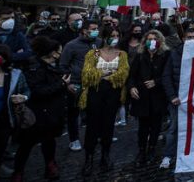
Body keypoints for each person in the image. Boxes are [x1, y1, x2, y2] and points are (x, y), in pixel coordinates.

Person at [12, 36, 69, 181]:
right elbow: (37, 91)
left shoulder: (54, 65)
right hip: (36, 113)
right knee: (26, 144)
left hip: (53, 112)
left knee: (49, 141)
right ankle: (18, 172)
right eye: (58, 51)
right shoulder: (34, 67)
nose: (59, 54)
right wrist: (62, 84)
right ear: (50, 52)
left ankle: (50, 166)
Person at [79, 27, 129, 175]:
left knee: (108, 125)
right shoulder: (93, 53)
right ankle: (89, 157)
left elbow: (123, 73)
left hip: (113, 94)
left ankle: (105, 156)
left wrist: (106, 76)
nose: (114, 38)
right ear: (105, 37)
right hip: (95, 93)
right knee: (92, 126)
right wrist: (106, 73)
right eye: (112, 35)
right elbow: (87, 73)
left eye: (117, 35)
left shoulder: (122, 54)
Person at [128, 29, 169, 164]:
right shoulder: (140, 56)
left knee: (156, 125)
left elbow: (168, 75)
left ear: (160, 41)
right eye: (149, 39)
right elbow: (132, 75)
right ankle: (141, 150)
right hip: (142, 96)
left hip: (158, 97)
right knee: (143, 126)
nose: (152, 42)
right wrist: (132, 87)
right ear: (145, 42)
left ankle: (152, 148)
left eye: (155, 39)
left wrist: (156, 82)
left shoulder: (165, 55)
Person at [60, 19, 101, 152]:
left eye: (97, 29)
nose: (96, 31)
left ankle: (94, 136)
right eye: (93, 29)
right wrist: (68, 83)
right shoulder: (71, 45)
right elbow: (63, 65)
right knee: (74, 113)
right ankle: (74, 139)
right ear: (84, 30)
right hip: (76, 84)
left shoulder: (99, 43)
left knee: (94, 111)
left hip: (94, 83)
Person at [0, 44, 29, 179]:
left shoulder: (15, 75)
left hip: (5, 119)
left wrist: (23, 97)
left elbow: (26, 91)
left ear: (5, 59)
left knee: (0, 147)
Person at [161, 25, 194, 169]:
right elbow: (166, 76)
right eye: (189, 37)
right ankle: (168, 155)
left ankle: (193, 153)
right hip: (178, 98)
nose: (192, 40)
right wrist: (172, 96)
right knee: (174, 128)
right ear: (183, 39)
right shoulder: (174, 54)